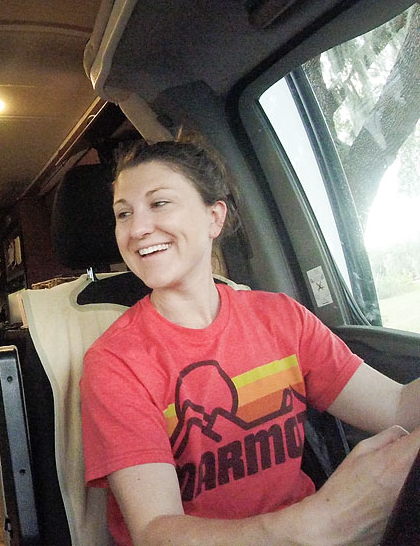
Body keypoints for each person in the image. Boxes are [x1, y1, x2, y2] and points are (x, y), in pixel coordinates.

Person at [80, 140, 420, 546]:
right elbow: (156, 531)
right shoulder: (115, 361)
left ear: (214, 217)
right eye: (124, 213)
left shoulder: (281, 317)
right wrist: (318, 525)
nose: (137, 229)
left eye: (159, 203)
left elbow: (396, 407)